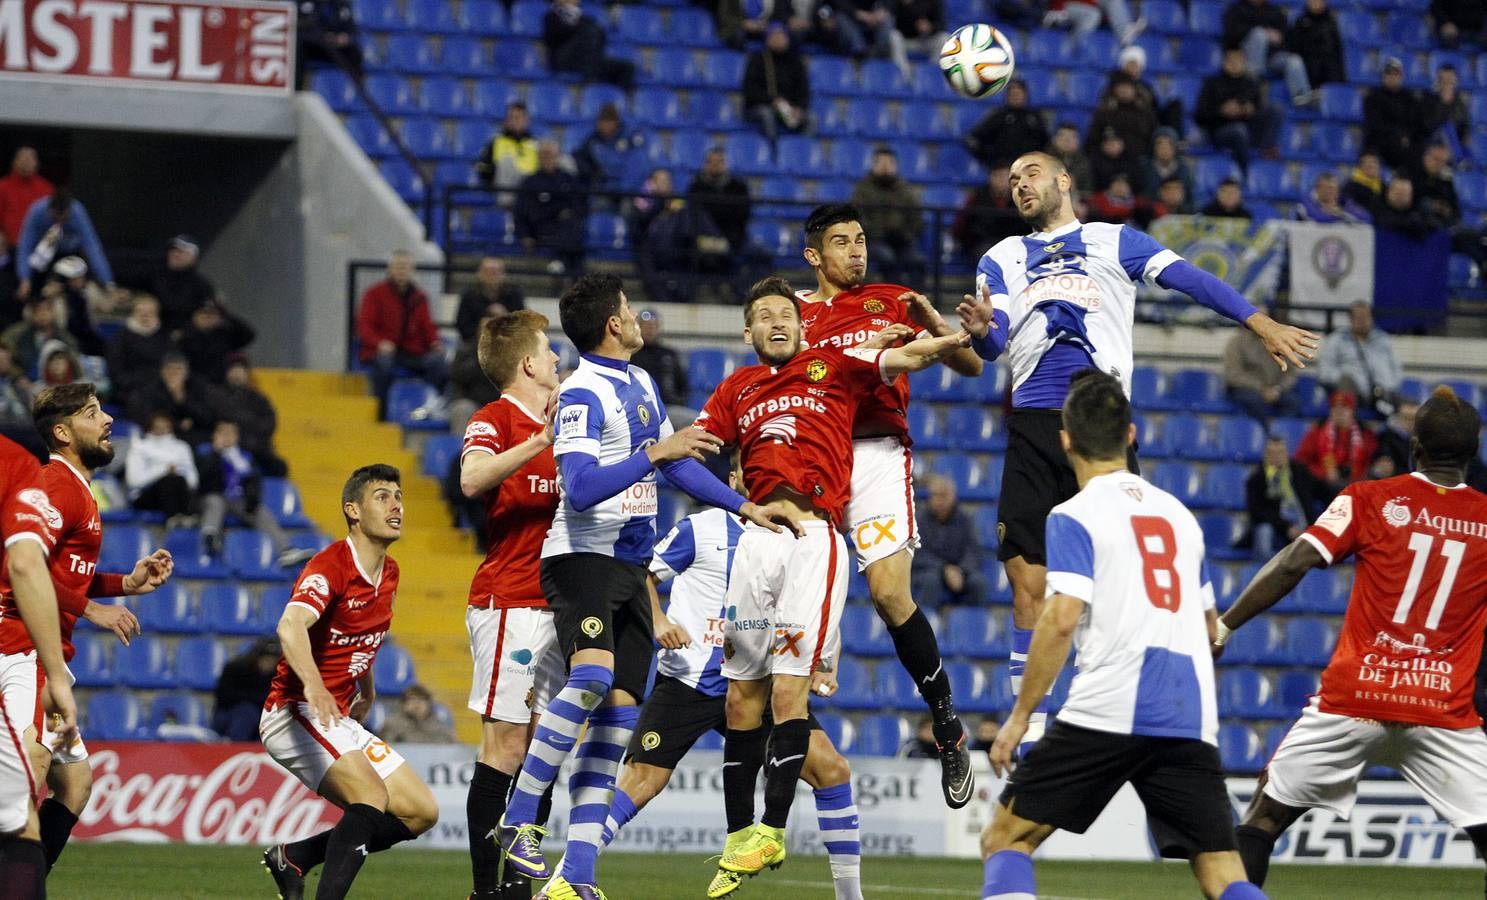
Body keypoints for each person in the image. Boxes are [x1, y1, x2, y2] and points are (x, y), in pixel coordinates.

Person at [956, 150, 1317, 758]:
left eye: (1032, 174)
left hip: (1098, 424)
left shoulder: (1114, 240)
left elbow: (1192, 280)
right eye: (1012, 178)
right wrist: (978, 328)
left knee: (1118, 586)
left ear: (1065, 180)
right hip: (1034, 425)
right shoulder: (1000, 258)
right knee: (1027, 585)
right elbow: (993, 344)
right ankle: (1033, 731)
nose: (1020, 184)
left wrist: (1258, 322)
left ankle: (1126, 716)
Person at [495, 274, 800, 900]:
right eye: (630, 310)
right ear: (613, 323)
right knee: (592, 679)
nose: (638, 318)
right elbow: (579, 488)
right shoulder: (581, 392)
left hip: (630, 571)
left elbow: (682, 462)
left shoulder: (640, 383)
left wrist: (746, 509)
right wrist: (656, 454)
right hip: (582, 558)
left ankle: (577, 874)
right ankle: (519, 817)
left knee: (616, 721)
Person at [696, 277, 968, 892]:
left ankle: (772, 827)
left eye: (785, 314)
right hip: (756, 538)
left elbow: (904, 357)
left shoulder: (832, 363)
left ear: (801, 325)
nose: (776, 322)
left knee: (795, 687)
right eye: (763, 315)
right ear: (747, 331)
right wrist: (731, 501)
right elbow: (692, 453)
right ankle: (741, 838)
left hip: (813, 534)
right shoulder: (735, 388)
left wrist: (953, 337)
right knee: (741, 697)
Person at [981, 370, 1265, 900]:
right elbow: (1211, 632)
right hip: (1187, 713)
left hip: (1109, 704)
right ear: (1131, 435)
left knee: (1006, 838)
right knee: (1222, 871)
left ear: (1065, 441)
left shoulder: (1072, 514)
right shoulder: (1180, 516)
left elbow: (1060, 618)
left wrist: (1019, 720)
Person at [1215, 386, 1487, 892]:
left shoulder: (1369, 498)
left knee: (1262, 819)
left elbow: (1295, 560)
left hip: (1355, 697)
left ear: (1415, 448)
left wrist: (1226, 624)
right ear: (1473, 455)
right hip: (1441, 708)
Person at [797, 203, 984, 806]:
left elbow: (972, 365)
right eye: (842, 242)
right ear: (814, 255)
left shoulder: (891, 299)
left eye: (861, 240)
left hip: (875, 454)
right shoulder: (793, 314)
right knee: (790, 596)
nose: (856, 251)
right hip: (814, 454)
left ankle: (949, 730)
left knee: (887, 593)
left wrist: (932, 322)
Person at [599, 487, 866, 900]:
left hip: (757, 683)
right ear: (736, 478)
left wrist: (826, 663)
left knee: (832, 770)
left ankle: (851, 897)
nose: (766, 482)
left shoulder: (796, 536)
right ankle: (570, 872)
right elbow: (643, 575)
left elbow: (816, 605)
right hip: (691, 679)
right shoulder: (701, 528)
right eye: (753, 470)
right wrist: (657, 620)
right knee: (643, 780)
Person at [0, 383, 168, 872]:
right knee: (27, 771)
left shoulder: (78, 489)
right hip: (23, 650)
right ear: (63, 431)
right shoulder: (55, 487)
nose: (107, 419)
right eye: (92, 413)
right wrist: (94, 610)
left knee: (73, 785)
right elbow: (20, 566)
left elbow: (60, 574)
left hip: (41, 652)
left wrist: (124, 584)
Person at [259, 465, 439, 900]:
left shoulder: (389, 573)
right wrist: (316, 686)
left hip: (336, 713)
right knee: (371, 798)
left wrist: (368, 685)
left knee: (421, 812)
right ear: (352, 510)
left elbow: (361, 632)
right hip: (294, 710)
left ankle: (296, 856)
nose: (396, 505)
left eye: (398, 496)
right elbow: (290, 626)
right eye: (382, 496)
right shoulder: (330, 566)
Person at [458, 310, 563, 900]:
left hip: (557, 607)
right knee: (506, 745)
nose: (555, 361)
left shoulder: (566, 424)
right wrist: (540, 441)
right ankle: (483, 890)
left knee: (545, 747)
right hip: (510, 602)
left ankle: (516, 889)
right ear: (527, 363)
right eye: (548, 352)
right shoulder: (494, 419)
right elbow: (472, 480)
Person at [0, 432, 77, 900]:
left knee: (72, 782)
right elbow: (26, 565)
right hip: (13, 650)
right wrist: (56, 673)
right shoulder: (16, 463)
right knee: (18, 823)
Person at [196, 419, 309, 567]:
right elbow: (203, 479)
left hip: (237, 498)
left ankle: (285, 550)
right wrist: (216, 454)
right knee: (215, 502)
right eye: (223, 433)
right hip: (212, 495)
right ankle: (210, 537)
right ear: (215, 435)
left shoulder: (244, 457)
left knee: (260, 511)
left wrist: (252, 500)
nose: (227, 437)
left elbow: (254, 481)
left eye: (231, 433)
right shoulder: (205, 453)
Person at [355, 250, 447, 420]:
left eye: (405, 267)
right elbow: (364, 327)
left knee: (438, 365)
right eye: (398, 267)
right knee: (383, 365)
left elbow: (427, 326)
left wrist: (435, 343)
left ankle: (434, 407)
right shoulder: (374, 294)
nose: (402, 271)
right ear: (390, 270)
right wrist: (379, 343)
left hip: (412, 352)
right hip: (382, 350)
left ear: (412, 271)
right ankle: (380, 415)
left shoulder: (420, 297)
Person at [1196, 49, 1282, 173]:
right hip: (1220, 130)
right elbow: (1200, 115)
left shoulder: (1251, 83)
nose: (1235, 63)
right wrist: (1221, 111)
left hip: (1248, 129)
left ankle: (1267, 149)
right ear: (1224, 62)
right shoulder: (1211, 83)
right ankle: (1245, 173)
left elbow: (1257, 107)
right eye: (1231, 60)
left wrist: (1250, 110)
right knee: (1239, 130)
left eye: (1239, 60)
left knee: (1276, 108)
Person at [16, 190, 112, 300]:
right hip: (44, 254)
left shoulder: (77, 211)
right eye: (56, 217)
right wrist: (24, 278)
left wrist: (107, 281)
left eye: (64, 218)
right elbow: (25, 246)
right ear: (50, 210)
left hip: (70, 252)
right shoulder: (37, 211)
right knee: (35, 288)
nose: (60, 221)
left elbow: (92, 246)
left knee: (78, 283)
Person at [849, 146, 925, 286]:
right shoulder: (863, 190)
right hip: (874, 240)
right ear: (874, 165)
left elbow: (916, 219)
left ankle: (915, 299)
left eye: (889, 163)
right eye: (881, 163)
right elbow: (859, 219)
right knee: (886, 257)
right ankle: (892, 298)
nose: (885, 167)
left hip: (902, 241)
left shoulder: (905, 190)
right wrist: (879, 234)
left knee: (918, 261)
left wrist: (905, 235)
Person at [911, 474, 988, 607]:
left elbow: (973, 551)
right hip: (928, 571)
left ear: (953, 497)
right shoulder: (919, 520)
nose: (939, 500)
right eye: (935, 495)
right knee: (930, 581)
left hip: (960, 570)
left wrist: (961, 570)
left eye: (944, 496)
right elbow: (917, 554)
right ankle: (926, 624)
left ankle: (969, 624)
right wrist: (944, 569)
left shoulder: (965, 520)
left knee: (978, 583)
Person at [1315, 301, 1402, 416]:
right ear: (1350, 320)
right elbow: (1324, 371)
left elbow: (1396, 368)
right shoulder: (1337, 340)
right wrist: (1346, 377)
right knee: (1345, 383)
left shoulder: (1383, 339)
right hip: (1353, 392)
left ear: (1372, 318)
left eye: (1366, 316)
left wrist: (1388, 387)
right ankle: (1353, 427)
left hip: (1382, 394)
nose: (1363, 321)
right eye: (1359, 317)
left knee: (1413, 407)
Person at [515, 140, 588, 276]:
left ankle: (561, 264)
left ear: (557, 157)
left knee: (572, 228)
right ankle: (565, 266)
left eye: (550, 155)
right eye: (543, 155)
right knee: (572, 242)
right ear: (538, 157)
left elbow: (579, 205)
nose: (547, 158)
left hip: (565, 227)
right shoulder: (530, 182)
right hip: (541, 227)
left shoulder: (568, 179)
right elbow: (521, 211)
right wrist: (525, 235)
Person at [1223, 0, 1313, 106]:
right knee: (1259, 34)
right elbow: (1232, 35)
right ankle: (1255, 83)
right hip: (1245, 58)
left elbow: (1286, 36)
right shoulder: (1236, 10)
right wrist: (1264, 32)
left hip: (1271, 57)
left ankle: (1303, 99)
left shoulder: (1275, 11)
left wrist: (1279, 37)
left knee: (1294, 60)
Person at [211, 356, 287, 477]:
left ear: (246, 374)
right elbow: (219, 418)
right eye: (233, 371)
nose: (237, 374)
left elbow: (269, 423)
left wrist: (248, 427)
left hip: (256, 447)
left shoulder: (258, 398)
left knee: (278, 467)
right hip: (227, 447)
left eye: (240, 371)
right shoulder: (217, 396)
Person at [1294, 390, 1378, 499]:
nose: (1339, 411)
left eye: (1344, 408)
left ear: (1352, 411)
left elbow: (1371, 461)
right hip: (1324, 485)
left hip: (1357, 484)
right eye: (1335, 407)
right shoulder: (1317, 432)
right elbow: (1301, 460)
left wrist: (1357, 477)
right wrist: (1324, 472)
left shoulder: (1365, 433)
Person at [1243, 434, 1316, 558]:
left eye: (1280, 452)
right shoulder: (1256, 478)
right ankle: (1264, 571)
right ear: (1265, 454)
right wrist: (1287, 527)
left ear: (1287, 453)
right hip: (1275, 524)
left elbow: (1312, 498)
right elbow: (1257, 512)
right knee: (1264, 531)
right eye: (1271, 453)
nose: (1276, 457)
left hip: (1301, 523)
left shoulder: (1300, 472)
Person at [1223, 311, 1300, 423]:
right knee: (1252, 401)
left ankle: (1282, 434)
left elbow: (1291, 374)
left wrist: (1277, 390)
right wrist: (1260, 388)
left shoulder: (1279, 341)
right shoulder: (1237, 342)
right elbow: (1233, 375)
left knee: (1293, 402)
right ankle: (1266, 434)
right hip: (1248, 389)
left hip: (1276, 389)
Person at [126, 353, 217, 446]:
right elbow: (149, 416)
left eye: (178, 370)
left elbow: (207, 418)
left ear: (186, 374)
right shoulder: (151, 389)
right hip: (160, 435)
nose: (173, 374)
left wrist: (182, 398)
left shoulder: (197, 388)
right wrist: (178, 424)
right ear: (162, 372)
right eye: (169, 369)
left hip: (192, 435)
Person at [542, 0, 635, 90]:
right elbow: (552, 39)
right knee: (590, 31)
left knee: (627, 67)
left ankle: (620, 99)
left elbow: (601, 35)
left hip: (587, 60)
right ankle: (590, 83)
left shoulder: (584, 19)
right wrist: (578, 29)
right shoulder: (551, 17)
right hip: (563, 60)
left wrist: (578, 27)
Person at [743, 23, 811, 145]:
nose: (779, 39)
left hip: (787, 109)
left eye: (781, 36)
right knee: (767, 114)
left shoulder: (795, 61)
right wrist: (772, 101)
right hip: (762, 106)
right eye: (775, 36)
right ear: (767, 39)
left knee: (811, 119)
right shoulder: (758, 60)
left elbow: (803, 90)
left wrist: (799, 107)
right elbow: (750, 89)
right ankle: (773, 150)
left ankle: (801, 150)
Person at [124, 410, 199, 520]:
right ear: (150, 427)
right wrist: (164, 470)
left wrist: (176, 472)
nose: (162, 430)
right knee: (168, 482)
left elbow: (193, 481)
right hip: (146, 496)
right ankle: (174, 518)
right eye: (158, 427)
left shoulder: (182, 447)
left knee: (177, 480)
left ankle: (184, 519)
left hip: (179, 490)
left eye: (165, 426)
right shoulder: (139, 447)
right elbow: (134, 481)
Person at [966, 80, 1050, 170]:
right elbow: (973, 139)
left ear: (1026, 95)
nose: (1016, 97)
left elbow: (1046, 142)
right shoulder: (998, 116)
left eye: (1018, 93)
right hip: (1003, 169)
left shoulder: (1035, 117)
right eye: (1012, 94)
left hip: (1029, 169)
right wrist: (990, 160)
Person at [573, 103, 647, 205]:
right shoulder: (593, 141)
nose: (605, 126)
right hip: (605, 190)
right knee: (596, 206)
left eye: (608, 122)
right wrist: (592, 173)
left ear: (616, 122)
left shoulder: (631, 139)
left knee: (630, 208)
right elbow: (579, 158)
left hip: (629, 191)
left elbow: (637, 166)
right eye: (602, 122)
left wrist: (624, 189)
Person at [629, 309, 692, 425]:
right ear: (638, 328)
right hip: (639, 409)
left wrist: (678, 401)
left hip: (669, 408)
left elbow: (682, 384)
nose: (650, 329)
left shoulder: (669, 354)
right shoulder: (630, 354)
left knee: (696, 422)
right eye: (646, 326)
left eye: (653, 326)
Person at [105, 294, 173, 400]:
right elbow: (116, 372)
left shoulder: (164, 336)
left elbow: (171, 364)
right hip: (132, 389)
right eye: (140, 311)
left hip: (162, 386)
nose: (145, 315)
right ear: (133, 313)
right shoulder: (121, 337)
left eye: (150, 312)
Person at [212, 636, 281, 741]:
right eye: (266, 659)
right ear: (256, 658)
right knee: (247, 712)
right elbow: (223, 698)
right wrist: (256, 699)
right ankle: (235, 749)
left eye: (272, 660)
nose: (269, 664)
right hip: (229, 716)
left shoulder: (279, 676)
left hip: (262, 717)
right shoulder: (235, 669)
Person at [1363, 58, 1423, 170]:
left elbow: (1414, 123)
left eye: (1396, 74)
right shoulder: (1373, 97)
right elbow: (1375, 125)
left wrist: (1406, 136)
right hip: (1381, 143)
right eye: (1389, 73)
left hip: (1404, 143)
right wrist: (1398, 135)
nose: (1392, 77)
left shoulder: (1409, 98)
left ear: (1401, 76)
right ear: (1383, 76)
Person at [954, 167, 1023, 265]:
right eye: (997, 176)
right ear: (990, 178)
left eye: (1004, 177)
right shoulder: (977, 197)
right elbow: (962, 224)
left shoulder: (1021, 198)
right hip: (984, 242)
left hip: (1015, 243)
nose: (1000, 181)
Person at [1086, 72, 1156, 160]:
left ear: (1134, 89)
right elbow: (1091, 142)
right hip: (1107, 162)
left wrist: (1127, 146)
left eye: (1128, 86)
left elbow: (1153, 140)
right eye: (1120, 86)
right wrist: (1104, 147)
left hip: (1138, 162)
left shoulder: (1145, 113)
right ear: (1113, 89)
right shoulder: (1104, 113)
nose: (1124, 90)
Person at [475, 102, 540, 198]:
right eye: (511, 118)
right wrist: (494, 170)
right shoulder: (495, 142)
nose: (514, 121)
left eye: (518, 118)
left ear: (526, 120)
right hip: (505, 190)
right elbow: (482, 168)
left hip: (530, 190)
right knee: (507, 160)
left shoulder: (536, 144)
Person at [2, 297, 77, 379]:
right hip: (28, 383)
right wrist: (18, 376)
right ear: (32, 315)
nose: (43, 314)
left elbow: (75, 360)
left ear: (53, 312)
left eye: (47, 310)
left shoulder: (65, 337)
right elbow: (6, 361)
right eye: (38, 311)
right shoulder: (18, 336)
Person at [456, 257, 526, 345]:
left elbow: (523, 325)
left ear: (503, 274)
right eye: (487, 271)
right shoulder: (469, 295)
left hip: (509, 345)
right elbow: (462, 325)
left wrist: (506, 317)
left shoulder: (514, 295)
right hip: (475, 344)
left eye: (496, 272)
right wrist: (481, 328)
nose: (492, 275)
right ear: (479, 273)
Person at [0, 147, 52, 251]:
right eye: (23, 158)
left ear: (37, 163)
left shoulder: (46, 189)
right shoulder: (2, 187)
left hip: (39, 248)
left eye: (30, 159)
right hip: (8, 247)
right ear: (14, 162)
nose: (26, 162)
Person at [1285, 0, 1344, 91]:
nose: (1316, 3)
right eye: (1313, 1)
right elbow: (1294, 48)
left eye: (1319, 1)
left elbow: (1338, 50)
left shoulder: (1331, 23)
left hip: (1329, 68)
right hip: (1308, 66)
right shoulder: (1300, 22)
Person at [379, 683, 456, 744]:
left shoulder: (439, 724)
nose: (417, 703)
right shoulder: (393, 724)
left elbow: (453, 746)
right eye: (412, 699)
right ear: (404, 704)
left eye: (422, 699)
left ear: (429, 704)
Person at [1140, 127, 1194, 202]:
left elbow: (1189, 198)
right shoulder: (1143, 168)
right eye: (1159, 143)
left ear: (1175, 146)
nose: (1164, 147)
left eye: (1169, 143)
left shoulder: (1183, 169)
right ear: (1153, 146)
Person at [1294, 172, 1370, 224]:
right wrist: (1337, 215)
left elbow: (1365, 218)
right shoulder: (1305, 202)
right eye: (1325, 188)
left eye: (1333, 188)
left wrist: (1340, 212)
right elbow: (1316, 218)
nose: (1329, 191)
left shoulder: (1344, 201)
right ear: (1317, 188)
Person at [1370, 399, 1419, 478]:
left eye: (1414, 418)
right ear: (1398, 417)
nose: (1410, 422)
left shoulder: (1424, 440)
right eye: (1406, 418)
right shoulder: (1386, 438)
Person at [1045, 123, 1092, 195]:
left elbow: (1088, 190)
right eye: (1062, 135)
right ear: (1054, 139)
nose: (1066, 140)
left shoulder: (1084, 162)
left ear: (1078, 141)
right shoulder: (1045, 160)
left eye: (1072, 137)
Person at [1088, 127, 1136, 194]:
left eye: (1115, 141)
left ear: (1122, 143)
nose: (1111, 144)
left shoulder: (1131, 160)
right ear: (1102, 145)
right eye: (1107, 142)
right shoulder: (1095, 162)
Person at [1342, 150, 1384, 218]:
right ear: (1360, 166)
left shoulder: (1382, 185)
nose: (1371, 165)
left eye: (1374, 162)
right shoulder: (1351, 185)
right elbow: (1347, 205)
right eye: (1367, 163)